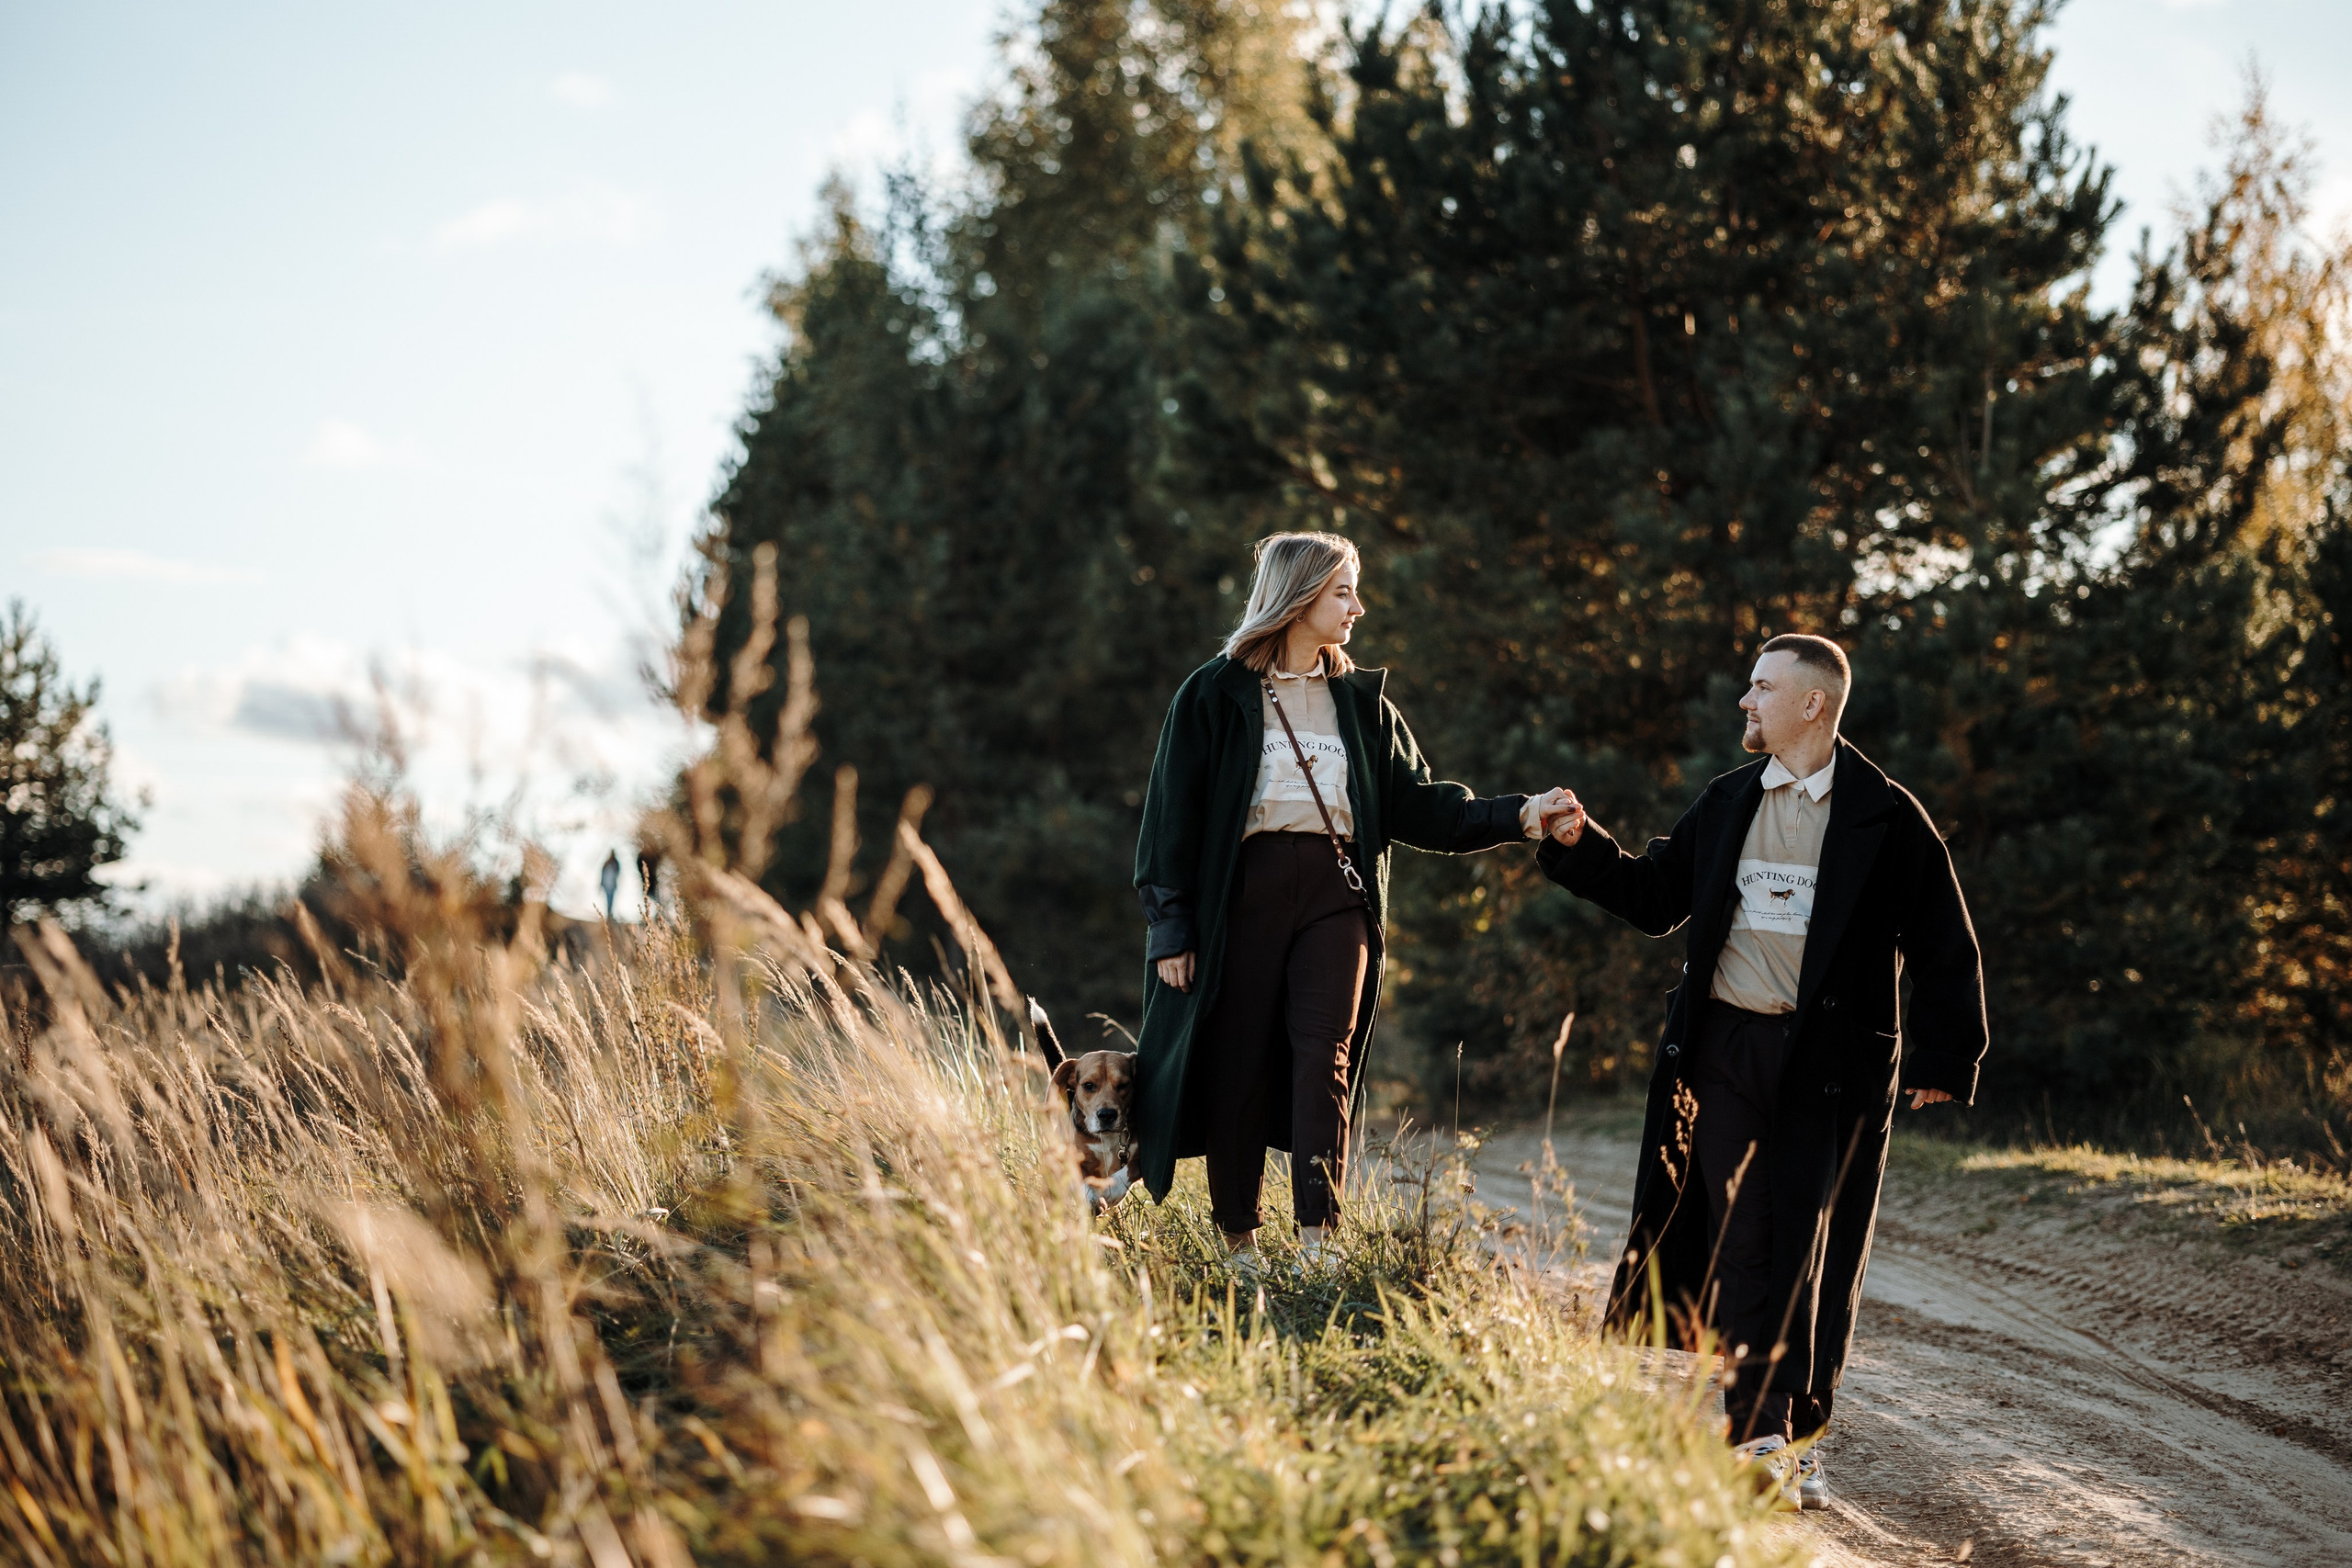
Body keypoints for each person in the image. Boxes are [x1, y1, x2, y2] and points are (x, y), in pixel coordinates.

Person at [1536, 634, 1984, 1506]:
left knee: (1814, 1251)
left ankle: (1800, 1432)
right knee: (1746, 1236)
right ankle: (1758, 1434)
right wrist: (1577, 844)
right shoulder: (1731, 798)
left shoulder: (1886, 816)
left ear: (1812, 703)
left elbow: (1944, 943)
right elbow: (1657, 894)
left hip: (1835, 1068)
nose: (1745, 701)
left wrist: (1944, 1053)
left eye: (1761, 687)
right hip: (1726, 1052)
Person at [1132, 532, 1574, 1266]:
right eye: (1343, 591)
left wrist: (1519, 814)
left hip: (1338, 897)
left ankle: (1317, 1239)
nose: (1357, 607)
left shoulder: (1361, 703)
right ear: (1299, 595)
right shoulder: (1213, 692)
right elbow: (1169, 816)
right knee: (1235, 1059)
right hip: (1241, 895)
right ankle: (1240, 1239)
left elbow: (1423, 806)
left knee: (1323, 1057)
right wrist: (1170, 925)